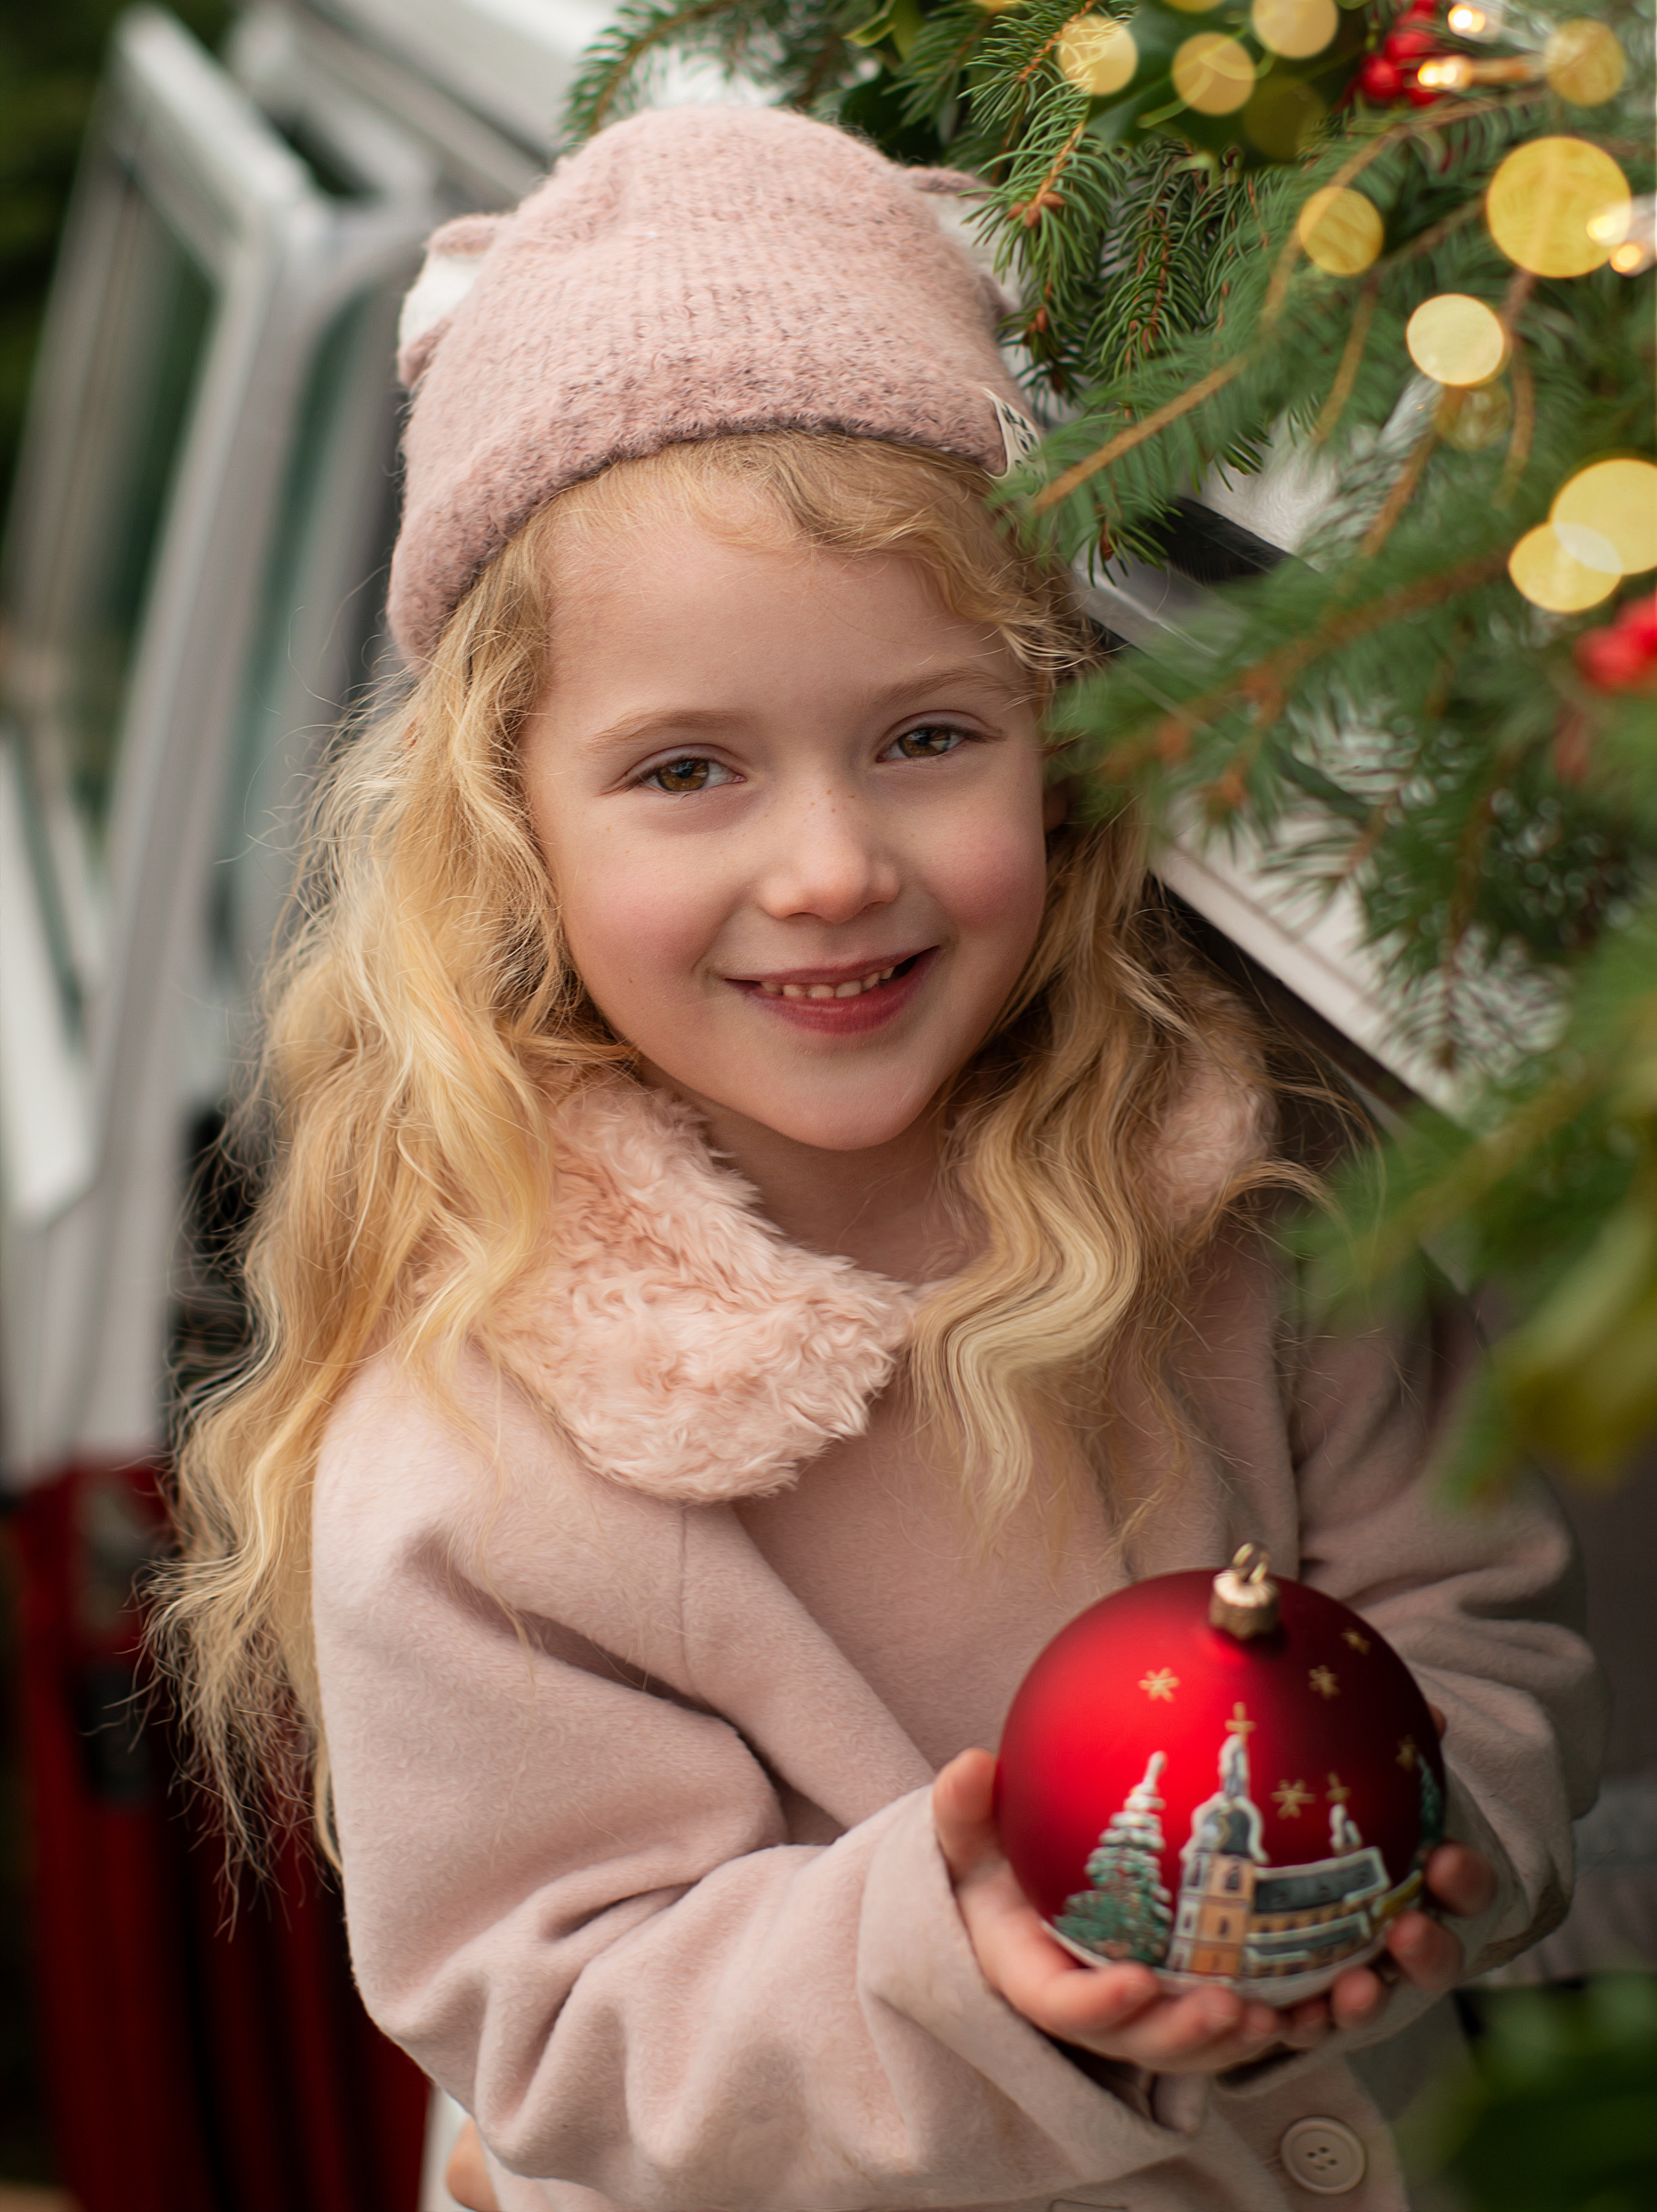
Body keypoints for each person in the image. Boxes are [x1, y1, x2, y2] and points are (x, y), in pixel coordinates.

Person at [160, 107, 1603, 2212]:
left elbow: (1480, 1623)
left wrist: (1419, 1841)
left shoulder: (1236, 1208)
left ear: (1059, 739)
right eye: (686, 770)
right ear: (512, 828)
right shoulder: (487, 1430)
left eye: (927, 737)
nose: (830, 867)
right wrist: (975, 1970)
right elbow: (562, 2014)